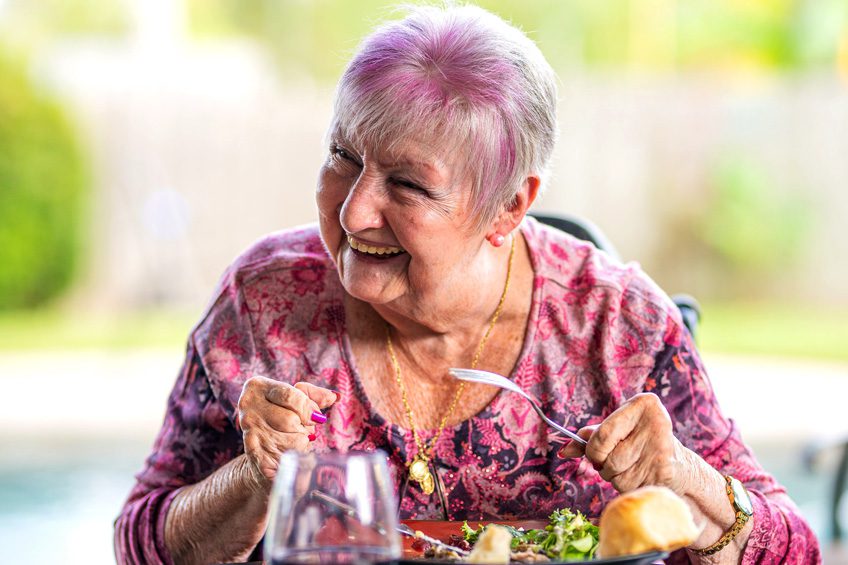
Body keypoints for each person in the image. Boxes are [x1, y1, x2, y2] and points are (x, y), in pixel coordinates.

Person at [114, 4, 820, 564]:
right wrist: (254, 478)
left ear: (509, 206)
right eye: (342, 155)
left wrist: (685, 477)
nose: (355, 209)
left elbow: (796, 549)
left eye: (408, 183)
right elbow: (137, 542)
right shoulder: (263, 305)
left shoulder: (616, 326)